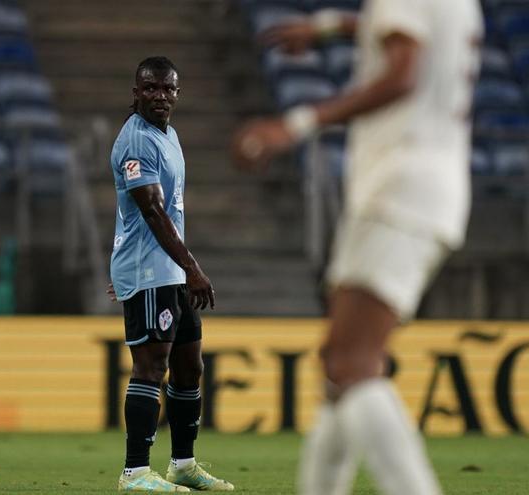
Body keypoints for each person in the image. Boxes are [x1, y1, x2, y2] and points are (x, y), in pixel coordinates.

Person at [232, 1, 482, 494]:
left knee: (352, 364)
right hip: (427, 185)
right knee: (339, 367)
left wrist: (297, 123)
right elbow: (403, 40)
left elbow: (402, 75)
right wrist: (330, 28)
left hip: (399, 188)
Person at [109, 56, 234, 492]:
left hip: (167, 271)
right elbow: (151, 209)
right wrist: (193, 266)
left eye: (167, 89)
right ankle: (136, 471)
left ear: (177, 94)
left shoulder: (169, 135)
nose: (160, 96)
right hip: (152, 270)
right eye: (150, 88)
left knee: (189, 367)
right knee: (150, 366)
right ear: (135, 92)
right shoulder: (136, 142)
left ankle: (183, 463)